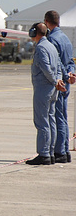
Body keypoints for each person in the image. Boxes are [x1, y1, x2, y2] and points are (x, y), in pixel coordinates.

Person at [26, 22, 66, 165]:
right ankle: (50, 153)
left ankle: (44, 154)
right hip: (53, 89)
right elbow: (59, 67)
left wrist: (55, 81)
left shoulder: (42, 47)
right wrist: (59, 81)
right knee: (51, 121)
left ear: (34, 32)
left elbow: (46, 68)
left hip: (44, 89)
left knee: (42, 122)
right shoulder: (52, 46)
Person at [44, 10, 76, 163]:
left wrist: (64, 77)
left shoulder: (51, 39)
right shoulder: (65, 38)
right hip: (66, 82)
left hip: (59, 83)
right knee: (63, 116)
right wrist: (71, 74)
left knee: (57, 118)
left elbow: (55, 62)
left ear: (46, 21)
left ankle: (60, 152)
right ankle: (65, 150)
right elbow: (70, 62)